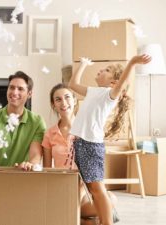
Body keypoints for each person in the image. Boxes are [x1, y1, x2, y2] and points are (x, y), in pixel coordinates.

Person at [69, 55, 151, 225]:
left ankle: (107, 221)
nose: (100, 70)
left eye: (106, 70)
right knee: (92, 189)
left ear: (114, 83)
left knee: (97, 189)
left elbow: (122, 82)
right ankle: (101, 216)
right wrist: (83, 64)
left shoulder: (109, 95)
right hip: (80, 143)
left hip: (91, 145)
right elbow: (72, 85)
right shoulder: (93, 91)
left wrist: (133, 63)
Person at [42, 83, 118, 225]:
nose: (64, 103)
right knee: (91, 220)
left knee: (112, 199)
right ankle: (84, 220)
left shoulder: (87, 129)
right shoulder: (49, 134)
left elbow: (95, 167)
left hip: (85, 188)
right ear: (53, 105)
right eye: (58, 99)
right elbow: (47, 169)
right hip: (62, 187)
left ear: (75, 100)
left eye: (67, 97)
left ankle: (80, 218)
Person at [0, 71, 46, 170]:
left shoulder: (37, 122)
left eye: (20, 89)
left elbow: (35, 156)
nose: (14, 92)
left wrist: (27, 166)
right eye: (11, 87)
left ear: (29, 94)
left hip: (25, 177)